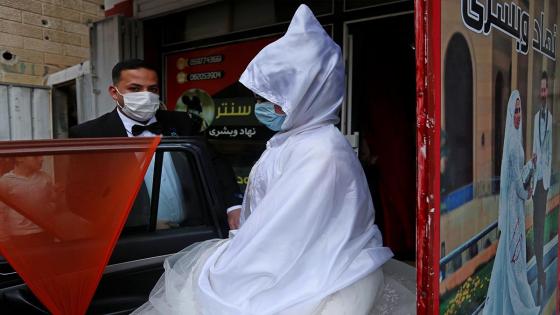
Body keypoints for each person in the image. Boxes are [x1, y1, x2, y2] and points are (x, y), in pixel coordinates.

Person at [133, 5, 415, 315]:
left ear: (305, 96)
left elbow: (283, 235)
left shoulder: (319, 152)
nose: (260, 106)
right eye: (258, 97)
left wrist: (232, 263)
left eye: (269, 99)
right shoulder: (291, 140)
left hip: (311, 278)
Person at [69, 59, 242, 229]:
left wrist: (233, 206)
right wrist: (142, 223)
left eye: (152, 89)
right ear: (114, 93)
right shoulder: (89, 134)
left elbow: (215, 163)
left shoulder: (182, 122)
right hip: (136, 242)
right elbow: (81, 199)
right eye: (135, 89)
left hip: (194, 231)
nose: (146, 95)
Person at [483, 91, 539, 315]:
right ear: (509, 114)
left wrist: (530, 166)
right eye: (515, 111)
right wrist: (528, 194)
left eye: (520, 110)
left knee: (510, 263)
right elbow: (517, 186)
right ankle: (516, 307)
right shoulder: (514, 146)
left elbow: (515, 179)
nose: (518, 115)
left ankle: (505, 307)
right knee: (515, 265)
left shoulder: (514, 140)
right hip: (514, 214)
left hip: (513, 212)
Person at [532, 71, 552, 304]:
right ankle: (541, 275)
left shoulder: (552, 118)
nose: (543, 93)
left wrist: (546, 174)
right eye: (542, 89)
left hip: (545, 181)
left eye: (546, 89)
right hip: (537, 180)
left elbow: (550, 151)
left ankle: (541, 274)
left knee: (541, 229)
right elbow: (537, 150)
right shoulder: (536, 118)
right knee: (537, 230)